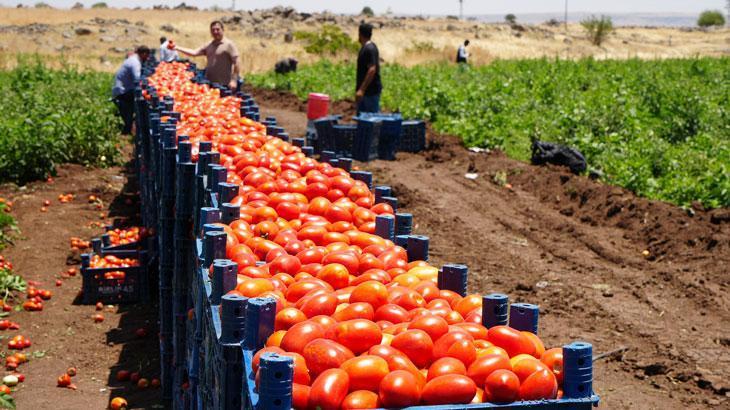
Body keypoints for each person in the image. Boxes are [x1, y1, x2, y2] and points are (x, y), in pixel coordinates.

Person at [174, 21, 240, 90]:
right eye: (213, 30)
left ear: (223, 30)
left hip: (224, 84)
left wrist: (234, 80)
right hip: (209, 83)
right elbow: (194, 52)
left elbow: (237, 62)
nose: (215, 32)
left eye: (217, 29)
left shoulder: (229, 45)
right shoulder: (209, 45)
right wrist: (177, 47)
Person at [112, 45, 150, 135]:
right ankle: (138, 126)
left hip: (123, 89)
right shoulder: (135, 62)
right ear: (143, 53)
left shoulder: (133, 59)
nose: (148, 58)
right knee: (144, 101)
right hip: (123, 91)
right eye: (147, 56)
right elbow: (137, 79)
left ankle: (131, 125)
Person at [355, 22, 382, 114]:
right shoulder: (365, 48)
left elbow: (372, 70)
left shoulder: (369, 49)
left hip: (370, 92)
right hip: (366, 93)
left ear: (360, 34)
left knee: (371, 120)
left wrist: (361, 89)